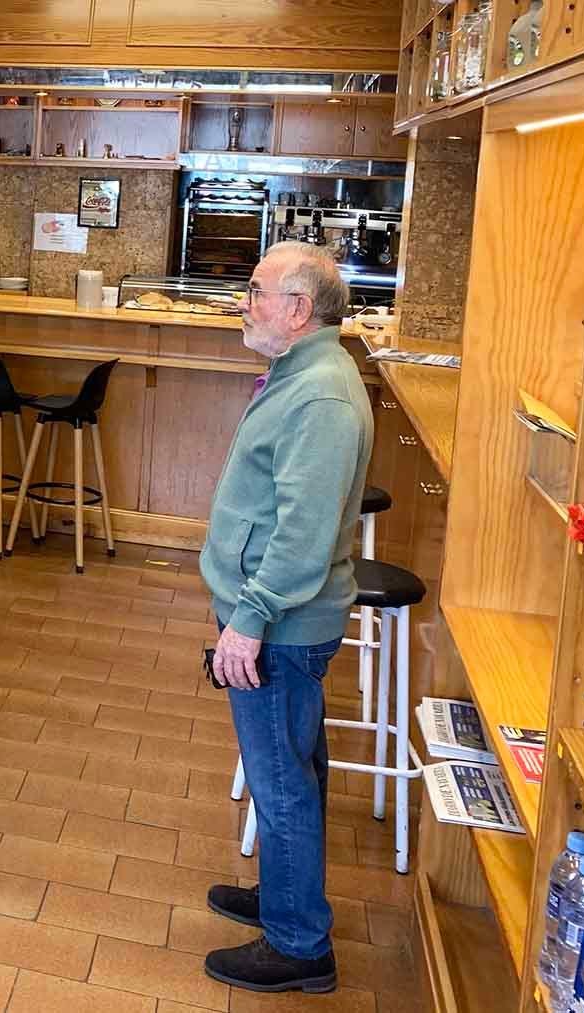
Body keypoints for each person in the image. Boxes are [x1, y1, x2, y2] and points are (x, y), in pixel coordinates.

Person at [198, 242, 372, 994]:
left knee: (280, 779)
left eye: (257, 290)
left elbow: (301, 536)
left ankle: (301, 943)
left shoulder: (323, 395)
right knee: (290, 766)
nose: (246, 300)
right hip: (277, 618)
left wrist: (250, 616)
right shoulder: (306, 375)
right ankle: (285, 896)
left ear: (299, 309)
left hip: (282, 624)